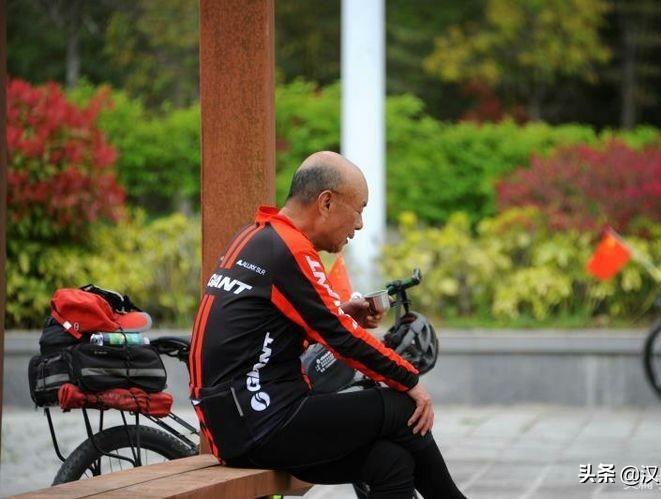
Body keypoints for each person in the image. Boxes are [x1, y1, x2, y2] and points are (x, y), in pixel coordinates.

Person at [189, 151, 465, 498]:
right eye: (359, 209)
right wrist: (411, 381)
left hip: (238, 421)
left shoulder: (258, 238)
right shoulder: (289, 249)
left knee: (389, 461)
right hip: (260, 419)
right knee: (403, 408)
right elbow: (342, 337)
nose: (360, 224)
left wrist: (344, 314)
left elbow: (274, 332)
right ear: (327, 202)